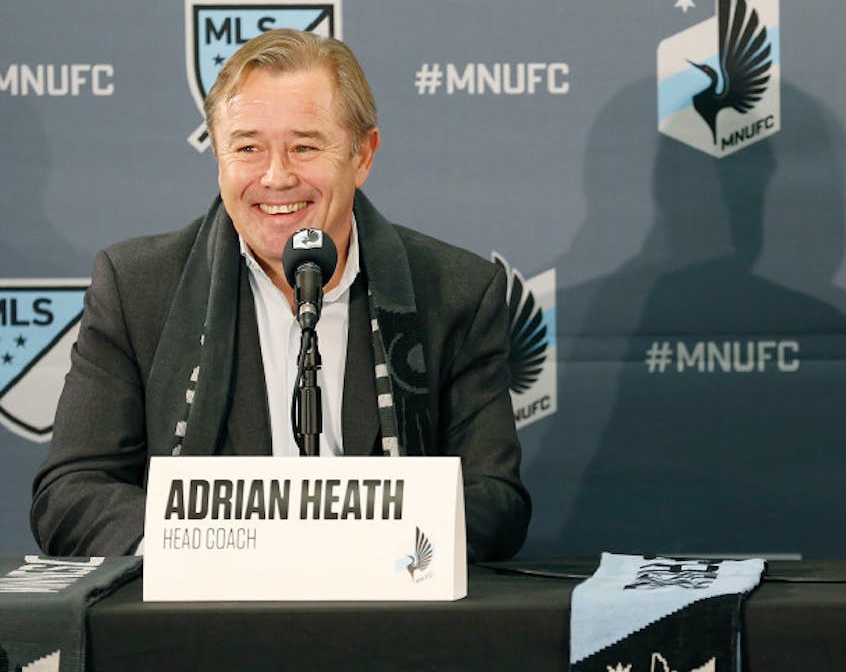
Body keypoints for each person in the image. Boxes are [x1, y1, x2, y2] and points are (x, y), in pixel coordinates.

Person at [31, 28, 531, 560]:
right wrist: (212, 551)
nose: (275, 177)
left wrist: (350, 551)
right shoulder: (136, 288)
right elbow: (71, 493)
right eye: (248, 148)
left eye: (304, 147)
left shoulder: (455, 292)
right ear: (219, 155)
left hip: (388, 618)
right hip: (201, 626)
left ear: (363, 155)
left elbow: (495, 501)